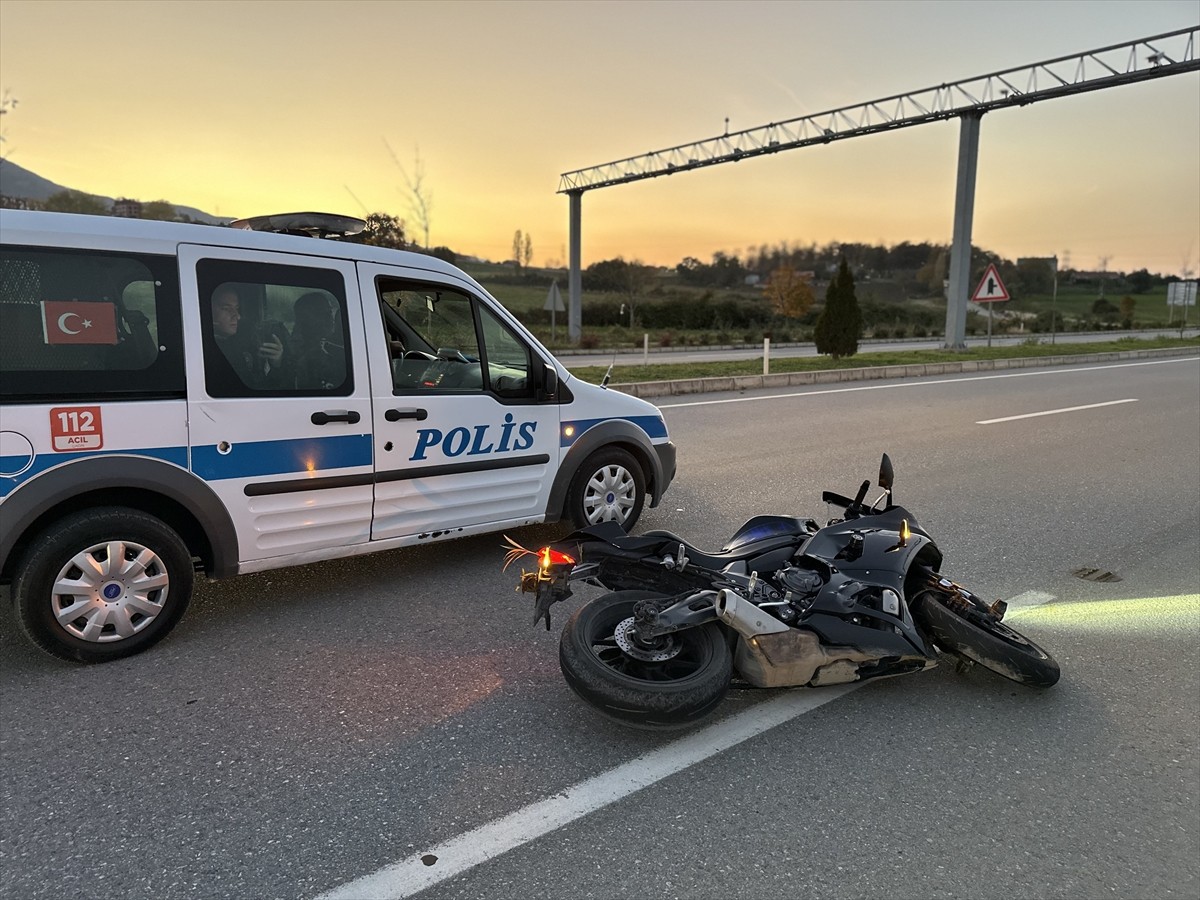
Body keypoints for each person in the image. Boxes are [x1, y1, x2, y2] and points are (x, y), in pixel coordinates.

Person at [210, 286, 287, 389]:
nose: (237, 316)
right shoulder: (208, 352)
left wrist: (276, 362)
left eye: (237, 309)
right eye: (226, 309)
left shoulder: (240, 343)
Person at [290, 291, 346, 390]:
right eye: (324, 313)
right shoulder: (302, 356)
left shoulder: (339, 347)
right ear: (307, 320)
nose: (331, 317)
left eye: (330, 311)